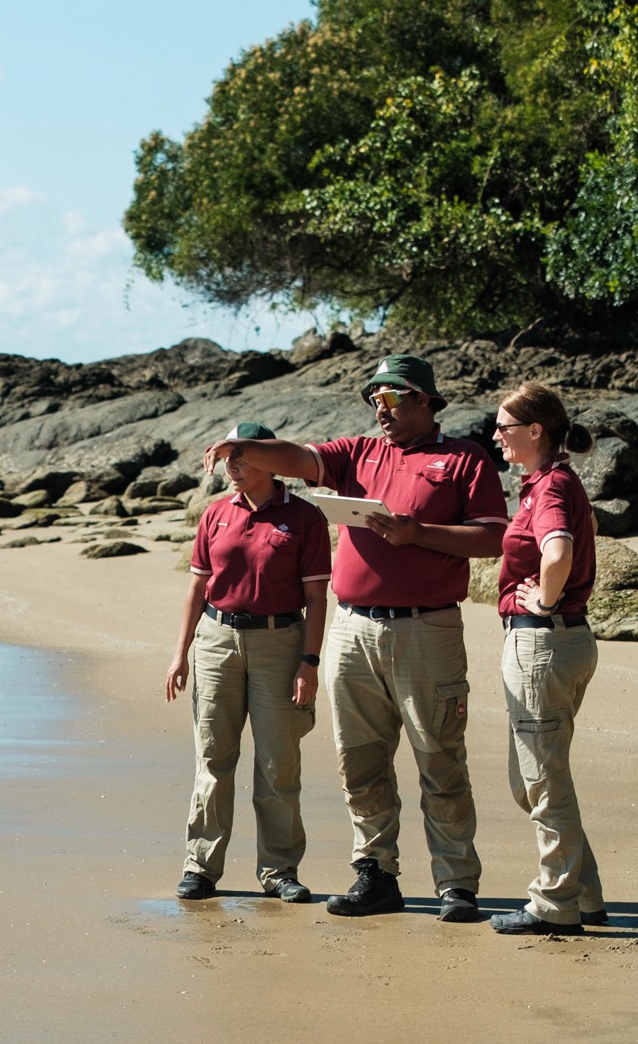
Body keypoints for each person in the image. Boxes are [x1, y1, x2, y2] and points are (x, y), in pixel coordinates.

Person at [205, 354, 507, 922]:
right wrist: (240, 450)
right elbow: (298, 459)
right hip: (352, 628)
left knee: (439, 755)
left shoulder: (465, 459)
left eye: (391, 398)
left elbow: (493, 538)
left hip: (428, 627)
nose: (380, 408)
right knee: (360, 761)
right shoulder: (358, 453)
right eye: (373, 399)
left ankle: (456, 883)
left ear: (423, 399)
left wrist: (419, 533)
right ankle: (375, 873)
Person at [165, 421, 332, 902]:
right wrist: (180, 654)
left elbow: (317, 598)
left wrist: (310, 662)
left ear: (268, 459)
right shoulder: (216, 514)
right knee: (214, 757)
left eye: (240, 457)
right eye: (227, 459)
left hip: (281, 644)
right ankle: (200, 866)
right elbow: (197, 587)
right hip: (216, 641)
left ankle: (279, 870)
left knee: (279, 762)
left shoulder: (303, 517)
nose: (232, 467)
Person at [487, 382, 608, 934]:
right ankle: (585, 896)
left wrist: (549, 598)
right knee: (533, 779)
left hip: (543, 639)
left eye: (504, 427)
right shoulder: (549, 482)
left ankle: (555, 904)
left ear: (535, 431)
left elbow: (557, 549)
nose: (496, 436)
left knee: (542, 780)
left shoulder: (552, 485)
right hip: (558, 640)